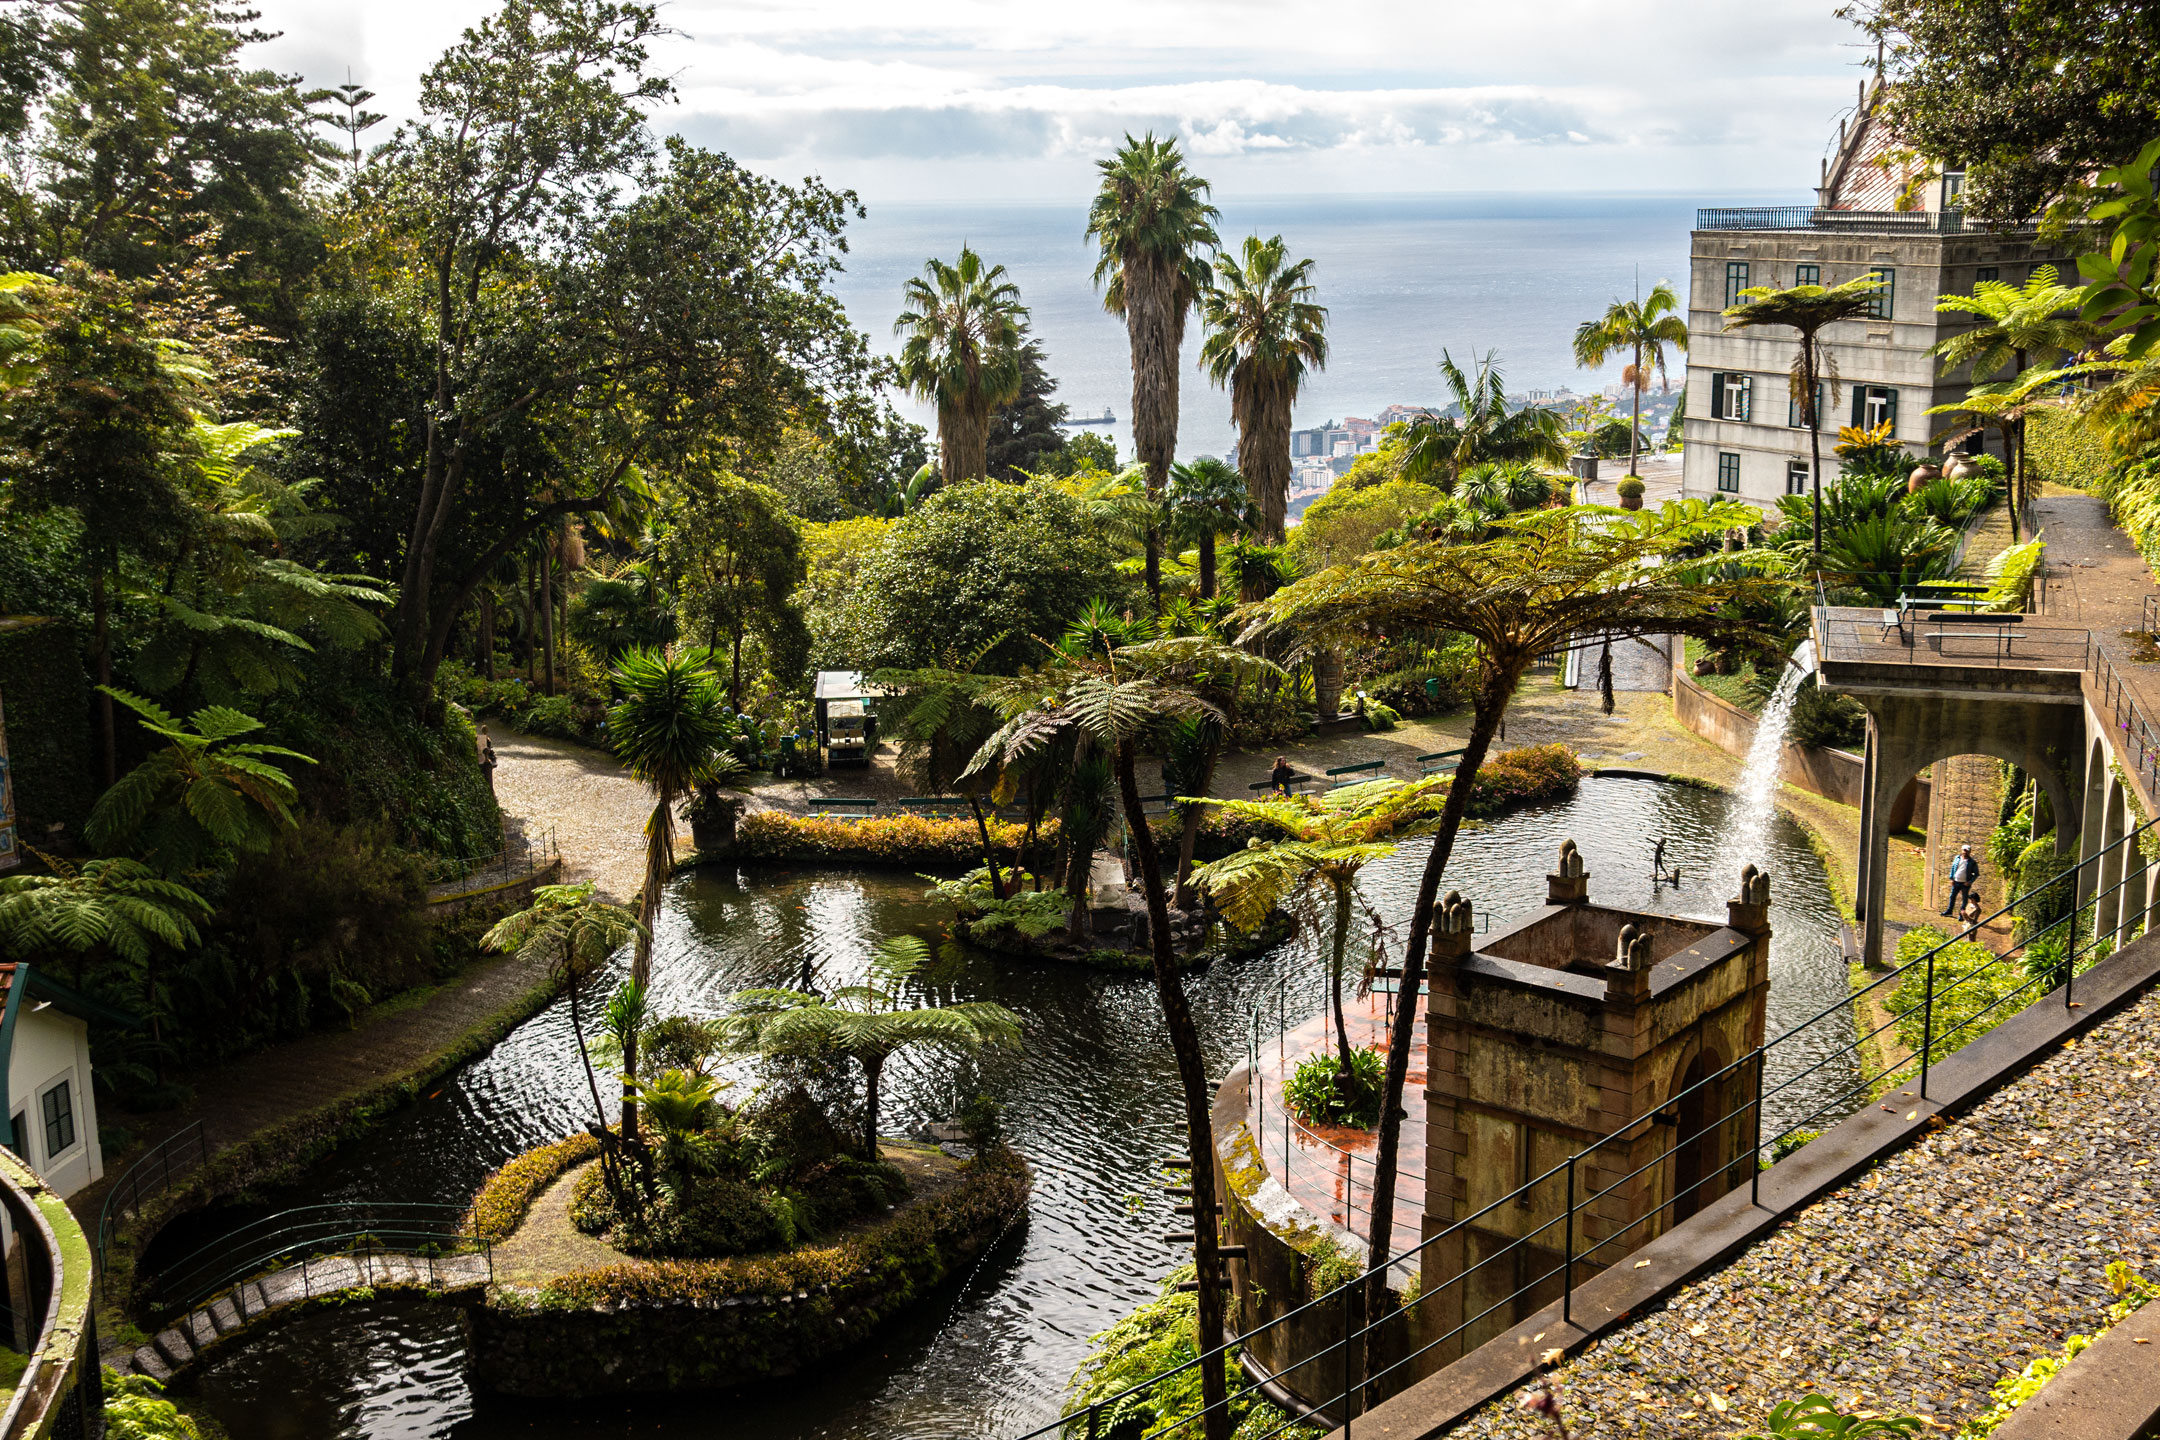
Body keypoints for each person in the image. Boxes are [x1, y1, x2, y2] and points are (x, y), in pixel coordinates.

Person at [1941, 843, 1980, 917]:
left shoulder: (1972, 862)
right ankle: (1949, 911)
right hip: (1956, 881)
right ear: (1962, 850)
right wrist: (1951, 878)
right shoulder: (1957, 858)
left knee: (1964, 899)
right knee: (1952, 896)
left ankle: (1962, 914)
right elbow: (1953, 868)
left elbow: (1976, 874)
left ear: (1970, 852)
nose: (1965, 852)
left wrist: (1970, 882)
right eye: (1964, 850)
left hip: (1965, 884)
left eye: (1967, 851)